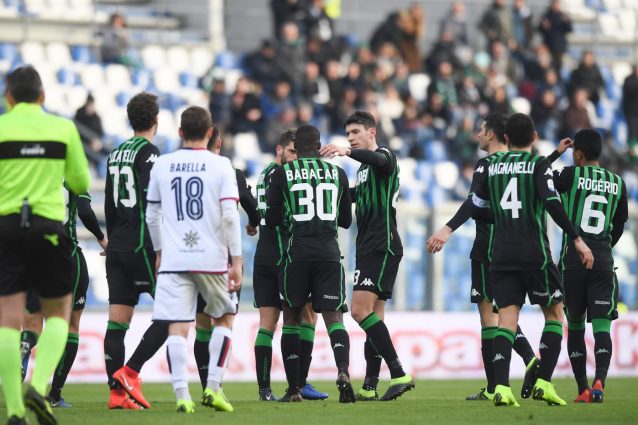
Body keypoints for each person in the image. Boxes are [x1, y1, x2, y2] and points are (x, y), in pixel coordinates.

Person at [471, 113, 594, 407]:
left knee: (507, 322)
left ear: (507, 139)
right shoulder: (538, 164)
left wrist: (500, 218)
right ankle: (543, 382)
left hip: (500, 256)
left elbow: (477, 206)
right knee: (554, 315)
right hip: (534, 254)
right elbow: (551, 201)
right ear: (535, 137)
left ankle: (501, 388)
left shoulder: (493, 166)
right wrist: (577, 238)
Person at [0, 65, 90, 425]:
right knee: (58, 314)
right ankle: (38, 386)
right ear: (43, 96)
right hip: (49, 228)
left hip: (6, 226)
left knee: (8, 320)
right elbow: (81, 181)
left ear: (8, 97)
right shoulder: (62, 128)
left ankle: (16, 412)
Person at [426, 115, 539, 401]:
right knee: (502, 316)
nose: (477, 134)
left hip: (489, 248)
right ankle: (520, 367)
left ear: (491, 135)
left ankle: (501, 382)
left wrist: (447, 229)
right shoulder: (523, 165)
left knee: (490, 319)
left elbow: (475, 204)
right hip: (518, 247)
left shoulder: (488, 165)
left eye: (480, 130)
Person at [146, 106, 243, 413]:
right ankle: (213, 387)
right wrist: (237, 260)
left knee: (177, 326)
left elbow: (151, 215)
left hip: (175, 259)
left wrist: (160, 252)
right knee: (224, 319)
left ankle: (181, 396)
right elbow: (230, 216)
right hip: (211, 259)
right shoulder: (221, 165)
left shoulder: (162, 164)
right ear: (211, 133)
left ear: (179, 133)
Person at [320, 111, 414, 401]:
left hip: (381, 244)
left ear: (372, 132)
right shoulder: (363, 170)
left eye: (356, 132)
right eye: (348, 134)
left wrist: (347, 152)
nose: (350, 137)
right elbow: (354, 194)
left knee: (360, 312)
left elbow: (380, 161)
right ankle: (370, 385)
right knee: (374, 316)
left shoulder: (385, 156)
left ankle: (399, 373)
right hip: (370, 246)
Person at [265, 124, 354, 403]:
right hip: (329, 253)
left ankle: (293, 390)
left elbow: (274, 217)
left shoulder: (282, 173)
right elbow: (346, 221)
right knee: (334, 318)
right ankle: (343, 372)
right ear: (318, 147)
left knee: (291, 318)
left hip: (297, 254)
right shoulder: (337, 173)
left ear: (297, 147)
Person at [547, 130, 628, 403]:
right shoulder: (618, 183)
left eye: (573, 152)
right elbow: (618, 226)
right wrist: (602, 248)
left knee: (577, 326)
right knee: (603, 327)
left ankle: (582, 389)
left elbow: (538, 177)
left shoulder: (569, 175)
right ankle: (600, 382)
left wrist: (556, 153)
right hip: (603, 262)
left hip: (573, 262)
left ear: (578, 153)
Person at [252, 129, 328, 401]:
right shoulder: (284, 177)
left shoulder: (264, 174)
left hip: (263, 255)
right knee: (304, 316)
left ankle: (265, 390)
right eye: (293, 152)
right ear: (279, 149)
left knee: (267, 324)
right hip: (285, 256)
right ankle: (298, 385)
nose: (297, 157)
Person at [103, 93, 168, 410]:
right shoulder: (150, 152)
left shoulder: (115, 153)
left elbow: (108, 203)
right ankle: (131, 372)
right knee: (173, 313)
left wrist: (109, 240)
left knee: (117, 323)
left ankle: (117, 395)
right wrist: (160, 248)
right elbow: (150, 205)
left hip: (117, 244)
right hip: (141, 243)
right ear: (156, 120)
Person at [20, 184, 107, 408]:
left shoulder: (31, 173)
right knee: (70, 325)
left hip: (33, 255)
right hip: (66, 256)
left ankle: (24, 350)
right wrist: (101, 237)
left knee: (32, 322)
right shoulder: (70, 174)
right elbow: (86, 211)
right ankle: (54, 395)